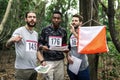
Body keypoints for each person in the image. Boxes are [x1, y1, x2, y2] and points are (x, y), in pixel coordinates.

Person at [6, 11, 44, 80]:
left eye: (34, 17)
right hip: (22, 70)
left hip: (34, 69)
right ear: (25, 19)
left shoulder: (35, 34)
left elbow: (36, 50)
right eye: (30, 17)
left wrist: (42, 61)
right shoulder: (19, 31)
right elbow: (7, 44)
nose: (32, 19)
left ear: (36, 20)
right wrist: (12, 40)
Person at [38, 11, 67, 80]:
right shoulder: (45, 30)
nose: (56, 20)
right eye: (54, 18)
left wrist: (66, 49)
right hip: (48, 61)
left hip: (60, 61)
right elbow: (39, 44)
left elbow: (64, 44)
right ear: (52, 19)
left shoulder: (63, 31)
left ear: (61, 19)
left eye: (58, 18)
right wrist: (42, 47)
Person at [67, 14, 90, 80]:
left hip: (83, 67)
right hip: (72, 65)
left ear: (80, 23)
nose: (73, 22)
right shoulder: (71, 35)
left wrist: (74, 32)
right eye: (72, 20)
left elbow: (84, 43)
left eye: (76, 20)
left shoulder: (84, 33)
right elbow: (69, 48)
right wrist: (68, 56)